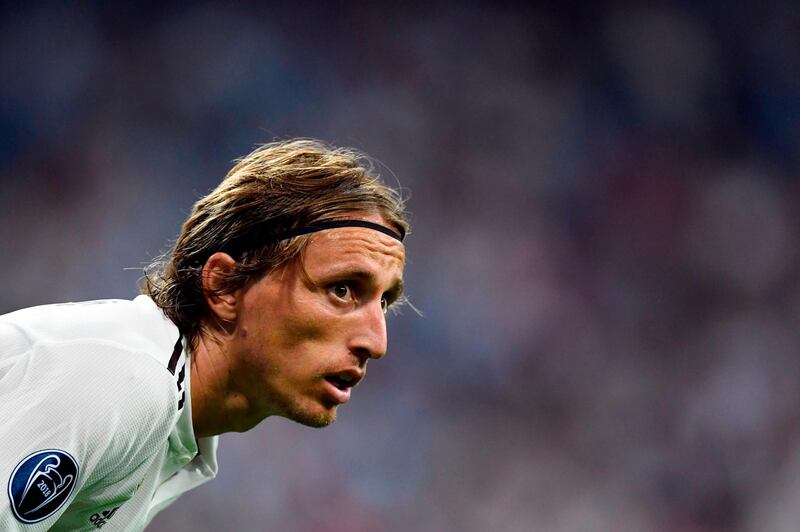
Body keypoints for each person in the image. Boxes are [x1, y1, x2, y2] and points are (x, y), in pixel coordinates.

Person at [0, 139, 409, 531]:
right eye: (342, 289)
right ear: (225, 287)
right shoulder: (125, 379)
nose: (377, 342)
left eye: (384, 302)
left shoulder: (181, 433)